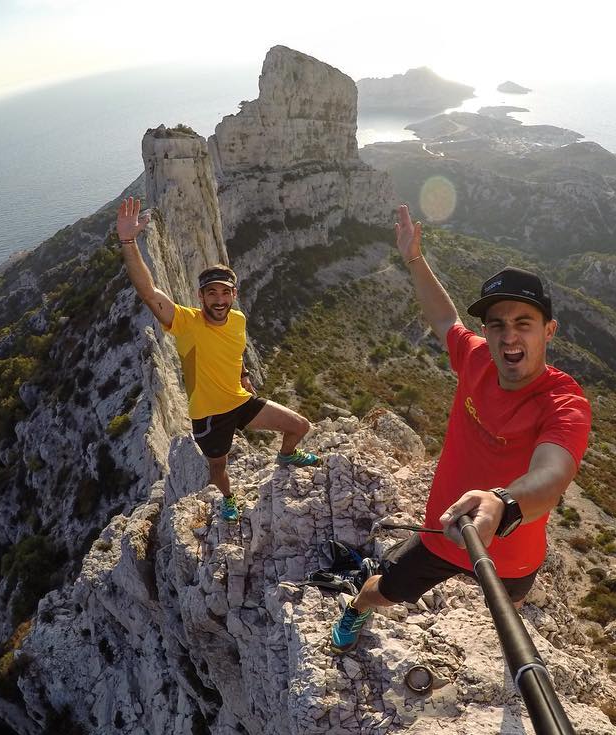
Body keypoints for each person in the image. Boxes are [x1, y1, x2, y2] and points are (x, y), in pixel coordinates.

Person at [330, 204, 591, 652]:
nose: (509, 336)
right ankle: (356, 609)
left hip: (511, 550)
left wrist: (502, 503)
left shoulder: (563, 402)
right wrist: (414, 258)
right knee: (385, 590)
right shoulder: (477, 360)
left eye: (523, 324)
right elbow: (444, 320)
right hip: (444, 533)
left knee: (510, 612)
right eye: (497, 325)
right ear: (486, 332)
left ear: (549, 331)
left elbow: (552, 477)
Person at [116, 196, 319, 523]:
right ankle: (227, 499)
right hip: (209, 415)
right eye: (212, 293)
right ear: (201, 296)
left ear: (233, 295)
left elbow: (235, 350)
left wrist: (243, 374)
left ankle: (286, 456)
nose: (219, 299)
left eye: (225, 293)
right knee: (218, 468)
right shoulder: (186, 323)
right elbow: (149, 292)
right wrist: (128, 241)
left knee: (300, 426)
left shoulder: (238, 319)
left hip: (240, 401)